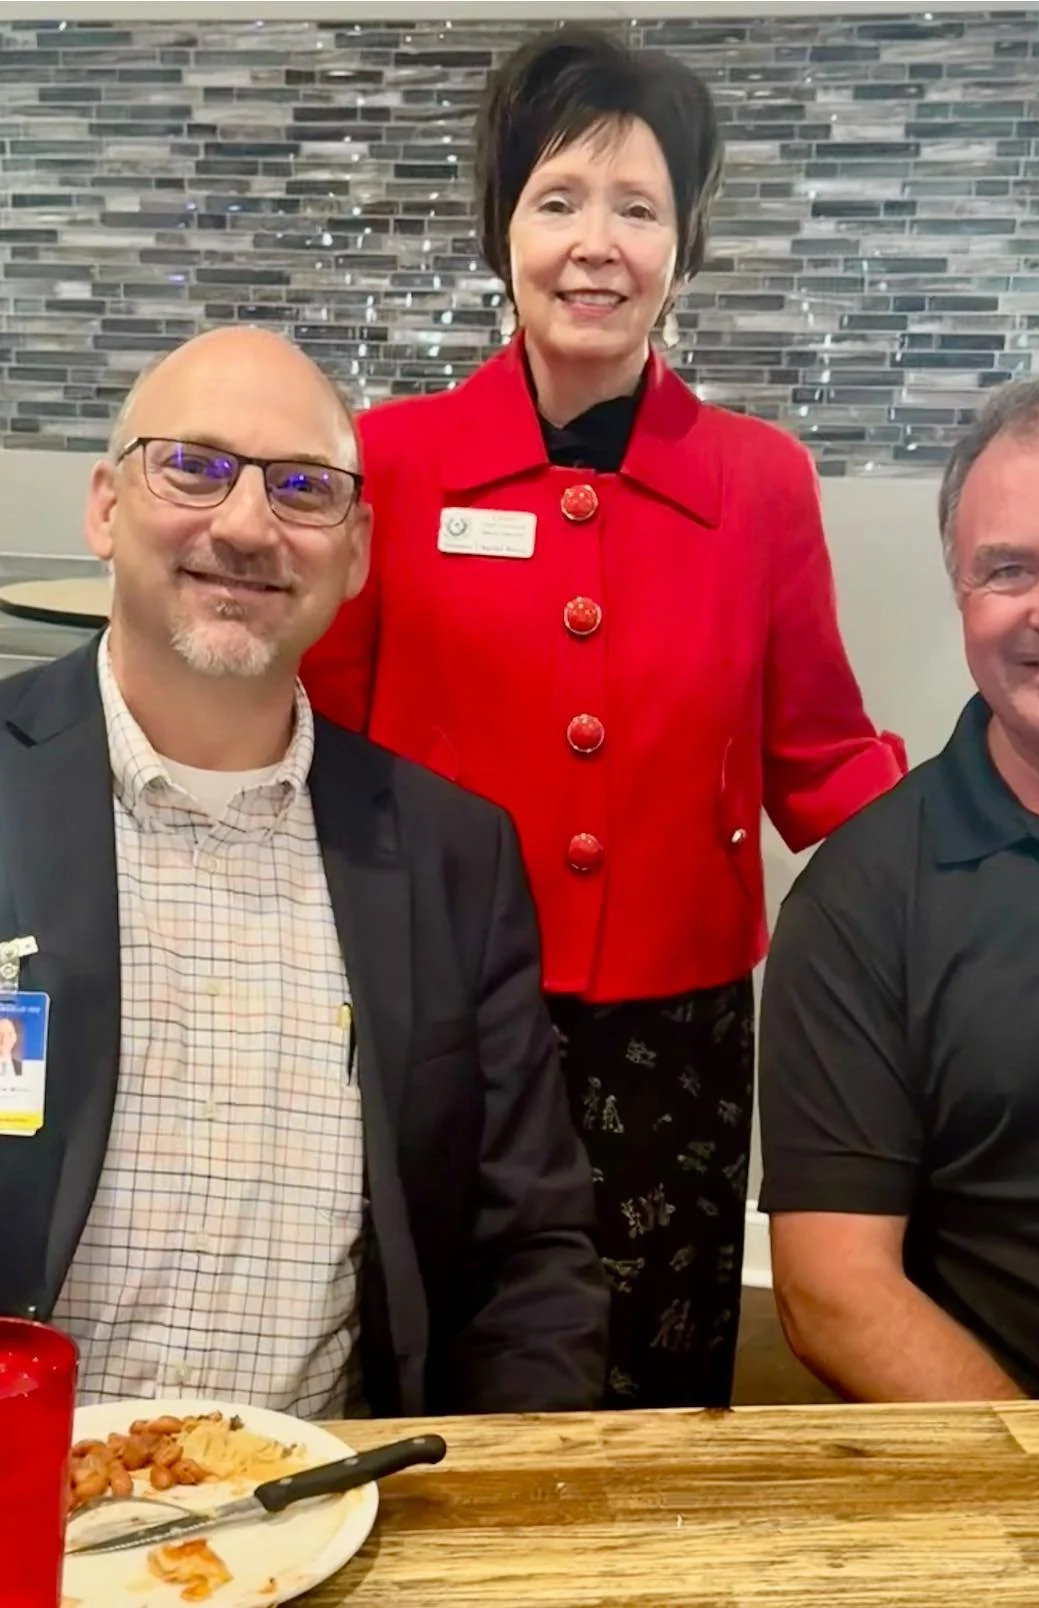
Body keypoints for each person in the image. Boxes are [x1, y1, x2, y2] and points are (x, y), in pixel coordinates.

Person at [301, 27, 903, 1410]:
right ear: (500, 227)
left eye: (637, 208)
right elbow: (315, 744)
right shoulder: (385, 461)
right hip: (436, 1000)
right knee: (433, 1345)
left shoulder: (757, 481)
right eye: (557, 200)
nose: (595, 243)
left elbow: (817, 749)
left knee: (651, 1372)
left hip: (673, 1034)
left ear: (682, 244)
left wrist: (979, 856)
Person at [0, 325, 608, 1418]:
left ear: (359, 547)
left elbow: (531, 1254)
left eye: (301, 488)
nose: (245, 525)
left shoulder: (451, 860)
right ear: (105, 504)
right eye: (193, 466)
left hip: (326, 1528)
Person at [759, 370, 1039, 1402]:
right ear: (962, 597)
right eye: (1007, 569)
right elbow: (834, 1291)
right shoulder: (862, 903)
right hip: (1033, 1478)